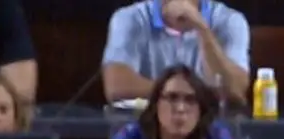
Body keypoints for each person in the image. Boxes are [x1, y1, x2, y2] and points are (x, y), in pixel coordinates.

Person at [98, 65, 241, 139]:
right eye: (172, 98)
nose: (180, 108)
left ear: (200, 109)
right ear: (156, 104)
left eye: (190, 100)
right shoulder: (130, 137)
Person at [102, 0, 250, 106]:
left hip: (210, 132)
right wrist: (191, 93)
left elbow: (235, 91)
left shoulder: (230, 21)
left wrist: (201, 28)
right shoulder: (129, 18)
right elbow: (116, 87)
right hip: (144, 131)